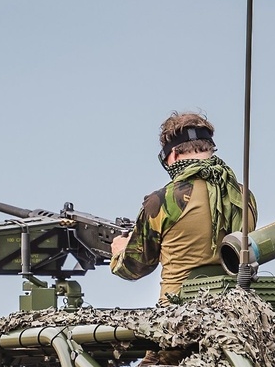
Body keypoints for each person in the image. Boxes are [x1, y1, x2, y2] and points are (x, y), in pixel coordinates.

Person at [109, 111, 257, 302]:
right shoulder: (243, 196)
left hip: (180, 316)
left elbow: (134, 267)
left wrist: (119, 250)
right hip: (235, 310)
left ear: (174, 154)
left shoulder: (162, 200)